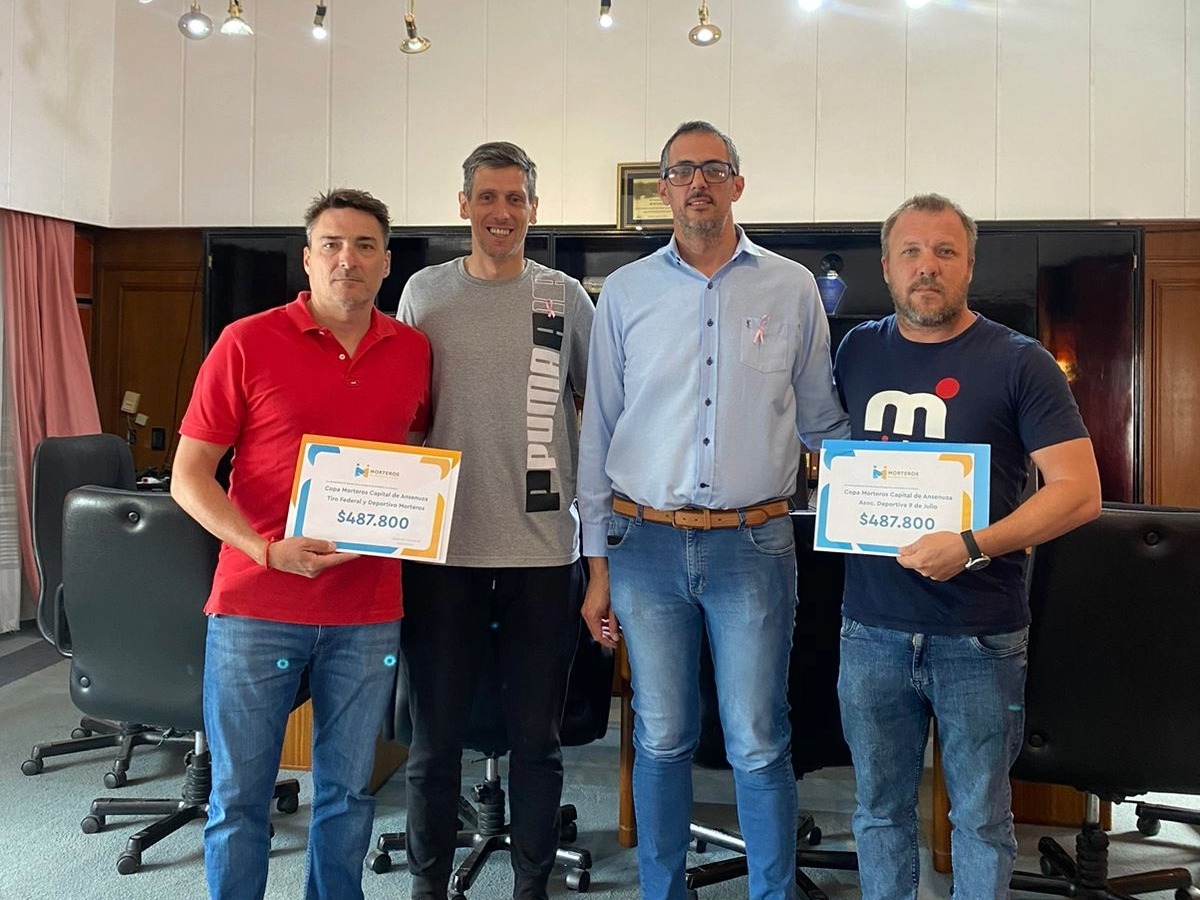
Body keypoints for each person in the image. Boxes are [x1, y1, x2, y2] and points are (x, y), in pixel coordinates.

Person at [577, 120, 850, 900]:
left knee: (759, 739)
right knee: (662, 735)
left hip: (752, 546)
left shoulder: (791, 287)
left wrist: (893, 489)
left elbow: (822, 422)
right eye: (682, 170)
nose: (698, 182)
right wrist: (596, 566)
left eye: (714, 168)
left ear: (738, 183)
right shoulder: (625, 292)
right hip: (643, 546)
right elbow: (599, 431)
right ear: (662, 189)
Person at [833, 193, 1102, 900]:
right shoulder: (856, 350)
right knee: (877, 813)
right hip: (871, 629)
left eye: (945, 252)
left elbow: (1080, 491)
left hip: (979, 635)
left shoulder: (1021, 361)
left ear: (969, 266)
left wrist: (972, 545)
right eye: (911, 252)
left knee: (981, 820)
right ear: (887, 267)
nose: (928, 266)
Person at [171, 188, 431, 900]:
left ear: (386, 263)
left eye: (365, 246)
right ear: (308, 258)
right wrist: (265, 550)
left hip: (367, 610)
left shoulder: (412, 350)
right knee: (240, 796)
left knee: (348, 795)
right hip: (257, 604)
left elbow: (411, 453)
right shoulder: (245, 342)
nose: (349, 259)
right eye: (332, 244)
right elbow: (188, 477)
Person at [396, 141, 593, 900]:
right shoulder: (424, 293)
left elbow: (601, 409)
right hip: (442, 553)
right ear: (463, 206)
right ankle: (426, 887)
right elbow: (403, 413)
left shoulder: (565, 298)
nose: (501, 212)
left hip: (543, 554)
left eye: (515, 198)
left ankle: (531, 887)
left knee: (537, 745)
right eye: (487, 197)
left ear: (533, 209)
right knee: (433, 745)